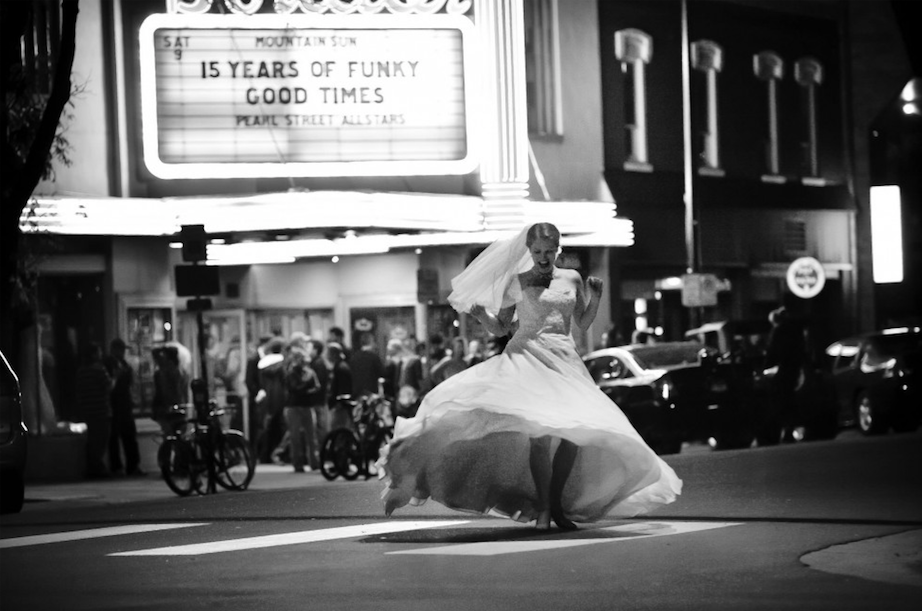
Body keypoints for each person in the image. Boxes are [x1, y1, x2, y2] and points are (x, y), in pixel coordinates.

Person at [377, 223, 682, 530]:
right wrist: (481, 315)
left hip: (564, 359)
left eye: (549, 251)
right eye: (537, 252)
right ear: (529, 251)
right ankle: (547, 510)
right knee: (540, 438)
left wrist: (596, 297)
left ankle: (557, 504)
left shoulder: (571, 278)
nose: (544, 257)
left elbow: (583, 322)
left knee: (574, 436)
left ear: (558, 248)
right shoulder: (517, 281)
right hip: (528, 357)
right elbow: (501, 327)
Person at [765, 306, 806, 443]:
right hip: (796, 368)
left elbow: (772, 352)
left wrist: (767, 365)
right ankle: (793, 428)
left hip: (784, 369)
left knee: (780, 399)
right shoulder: (796, 330)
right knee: (792, 397)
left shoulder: (778, 332)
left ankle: (785, 429)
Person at [282, 333, 322, 472]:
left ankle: (314, 462)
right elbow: (294, 388)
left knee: (312, 436)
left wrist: (307, 389)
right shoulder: (292, 373)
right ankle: (298, 463)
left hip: (306, 405)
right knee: (295, 437)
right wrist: (307, 387)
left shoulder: (309, 372)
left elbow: (317, 387)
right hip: (294, 406)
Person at [105, 338, 144, 476]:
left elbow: (129, 381)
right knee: (114, 437)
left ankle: (133, 465)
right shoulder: (109, 363)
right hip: (115, 403)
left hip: (125, 403)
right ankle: (117, 467)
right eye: (120, 350)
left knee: (129, 435)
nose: (122, 353)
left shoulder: (124, 364)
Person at [75, 342, 113, 478]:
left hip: (88, 410)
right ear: (94, 354)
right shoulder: (99, 369)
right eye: (99, 352)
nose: (101, 354)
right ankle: (97, 467)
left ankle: (92, 466)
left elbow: (79, 390)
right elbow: (109, 386)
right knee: (101, 439)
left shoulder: (81, 371)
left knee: (92, 439)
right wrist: (117, 377)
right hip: (100, 409)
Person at [256, 337, 287, 464]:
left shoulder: (263, 363)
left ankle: (263, 454)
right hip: (279, 398)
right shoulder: (282, 363)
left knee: (267, 427)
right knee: (278, 428)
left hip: (268, 398)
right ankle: (275, 453)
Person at [325, 342, 353, 431]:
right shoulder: (339, 366)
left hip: (340, 406)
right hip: (339, 404)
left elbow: (344, 388)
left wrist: (339, 403)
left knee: (337, 429)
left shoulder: (341, 368)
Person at [349, 332, 385, 398]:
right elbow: (382, 373)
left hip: (356, 392)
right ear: (371, 341)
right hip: (371, 392)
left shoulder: (354, 357)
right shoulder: (374, 357)